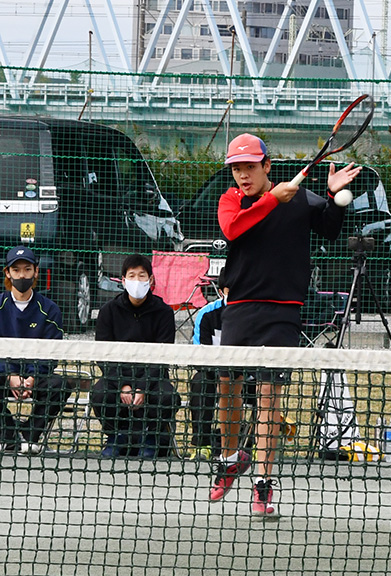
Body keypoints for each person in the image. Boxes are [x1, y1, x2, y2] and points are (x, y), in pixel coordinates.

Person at [211, 133, 360, 517]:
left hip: (283, 311)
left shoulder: (298, 200)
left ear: (267, 166)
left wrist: (332, 198)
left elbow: (329, 229)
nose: (243, 175)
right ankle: (230, 458)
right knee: (227, 387)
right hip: (240, 306)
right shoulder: (231, 201)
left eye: (250, 167)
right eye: (237, 168)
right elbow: (234, 230)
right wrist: (270, 199)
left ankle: (262, 484)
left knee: (268, 398)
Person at [90, 254, 181, 459]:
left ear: (150, 280)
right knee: (99, 393)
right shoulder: (108, 311)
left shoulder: (164, 312)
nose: (137, 281)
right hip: (117, 377)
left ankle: (151, 437)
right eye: (132, 276)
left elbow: (162, 356)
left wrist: (141, 386)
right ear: (122, 280)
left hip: (153, 377)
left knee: (168, 397)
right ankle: (116, 436)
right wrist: (123, 384)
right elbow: (103, 354)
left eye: (142, 276)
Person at [0, 246, 72, 454]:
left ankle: (30, 436)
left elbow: (51, 353)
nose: (22, 275)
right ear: (8, 273)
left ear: (36, 272)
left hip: (36, 377)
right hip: (5, 375)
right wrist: (9, 376)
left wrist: (31, 377)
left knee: (59, 384)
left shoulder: (50, 309)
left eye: (27, 269)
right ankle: (9, 435)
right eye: (16, 270)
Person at [187, 285, 228, 460]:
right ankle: (201, 445)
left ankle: (253, 446)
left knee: (264, 387)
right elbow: (200, 355)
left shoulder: (254, 315)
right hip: (213, 377)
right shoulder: (207, 314)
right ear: (221, 291)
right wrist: (220, 377)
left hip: (245, 378)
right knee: (200, 381)